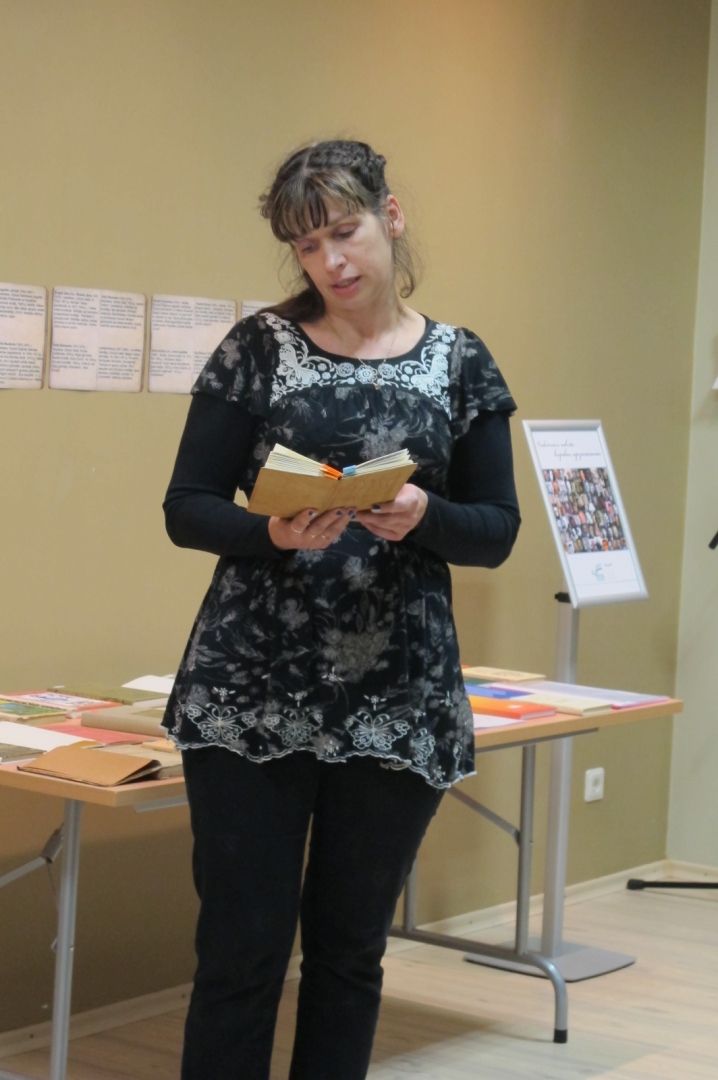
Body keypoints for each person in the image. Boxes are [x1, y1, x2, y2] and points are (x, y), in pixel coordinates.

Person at [162, 139, 521, 1080]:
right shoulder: (259, 348)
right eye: (308, 245)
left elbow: (496, 531)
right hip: (249, 694)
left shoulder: (460, 360)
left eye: (344, 232)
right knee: (240, 954)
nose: (332, 261)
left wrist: (425, 514)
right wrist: (272, 534)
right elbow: (186, 507)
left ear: (390, 217)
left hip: (397, 697)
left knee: (350, 955)